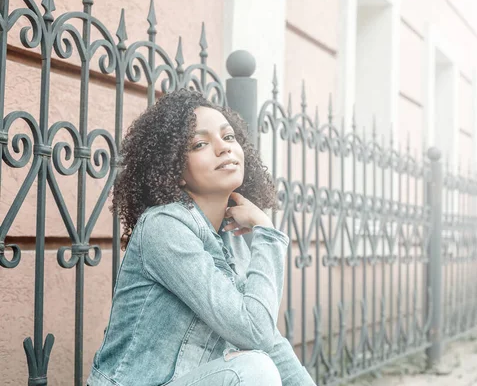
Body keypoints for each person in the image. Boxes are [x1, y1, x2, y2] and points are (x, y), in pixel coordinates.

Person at [87, 89, 315, 386]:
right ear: (175, 170)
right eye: (200, 143)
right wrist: (267, 233)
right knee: (252, 370)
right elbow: (253, 331)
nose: (224, 148)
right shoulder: (164, 227)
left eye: (229, 137)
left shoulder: (230, 236)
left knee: (259, 363)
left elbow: (269, 339)